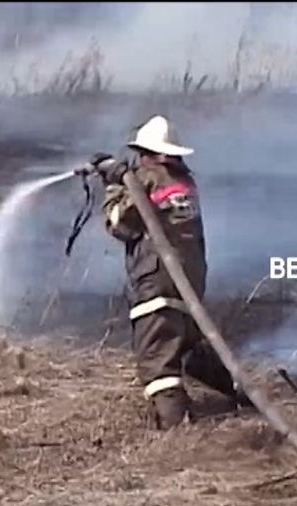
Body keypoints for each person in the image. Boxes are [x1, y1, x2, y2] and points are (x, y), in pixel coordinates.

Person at [90, 115, 244, 429]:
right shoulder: (184, 182)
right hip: (189, 284)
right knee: (185, 346)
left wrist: (113, 186)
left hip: (157, 283)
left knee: (157, 359)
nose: (140, 160)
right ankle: (241, 397)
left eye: (143, 154)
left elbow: (121, 224)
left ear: (154, 154)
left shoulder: (148, 178)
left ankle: (176, 433)